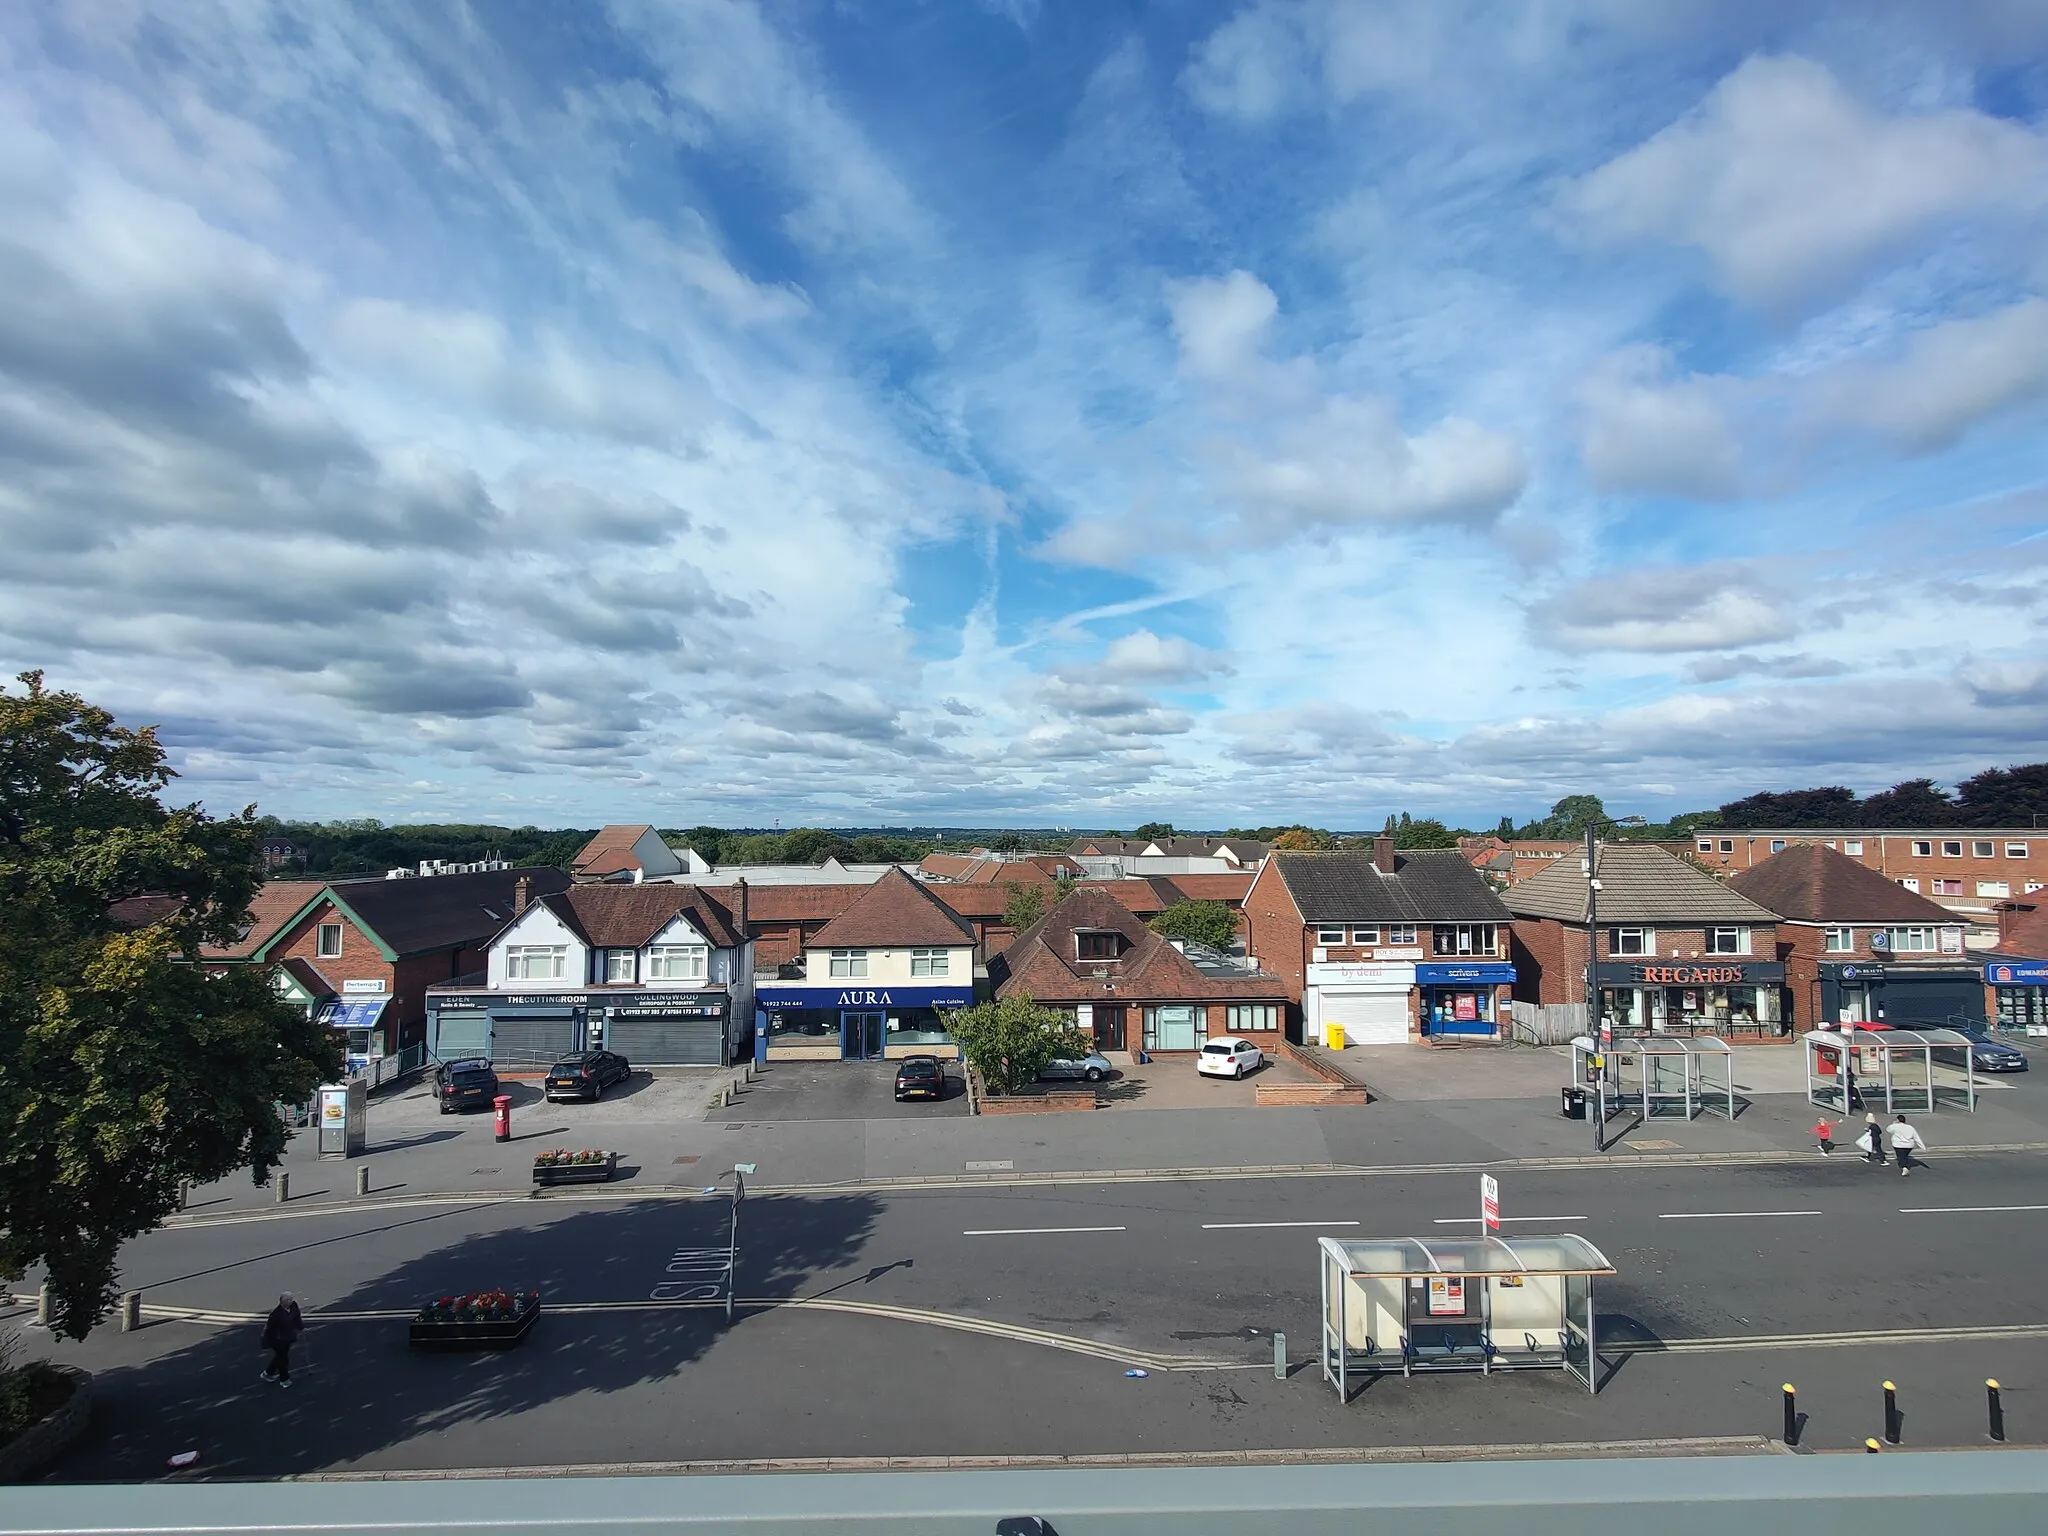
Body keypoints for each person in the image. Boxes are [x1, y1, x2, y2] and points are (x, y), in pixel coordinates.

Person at [260, 1292, 303, 1387]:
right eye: (288, 1300)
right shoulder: (275, 1314)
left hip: (288, 1337)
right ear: (282, 1302)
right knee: (283, 1359)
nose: (291, 1301)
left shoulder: (294, 1306)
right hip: (278, 1340)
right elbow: (269, 1329)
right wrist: (270, 1341)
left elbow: (297, 1317)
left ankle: (268, 1373)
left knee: (280, 1357)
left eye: (291, 1299)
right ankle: (284, 1380)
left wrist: (301, 1327)